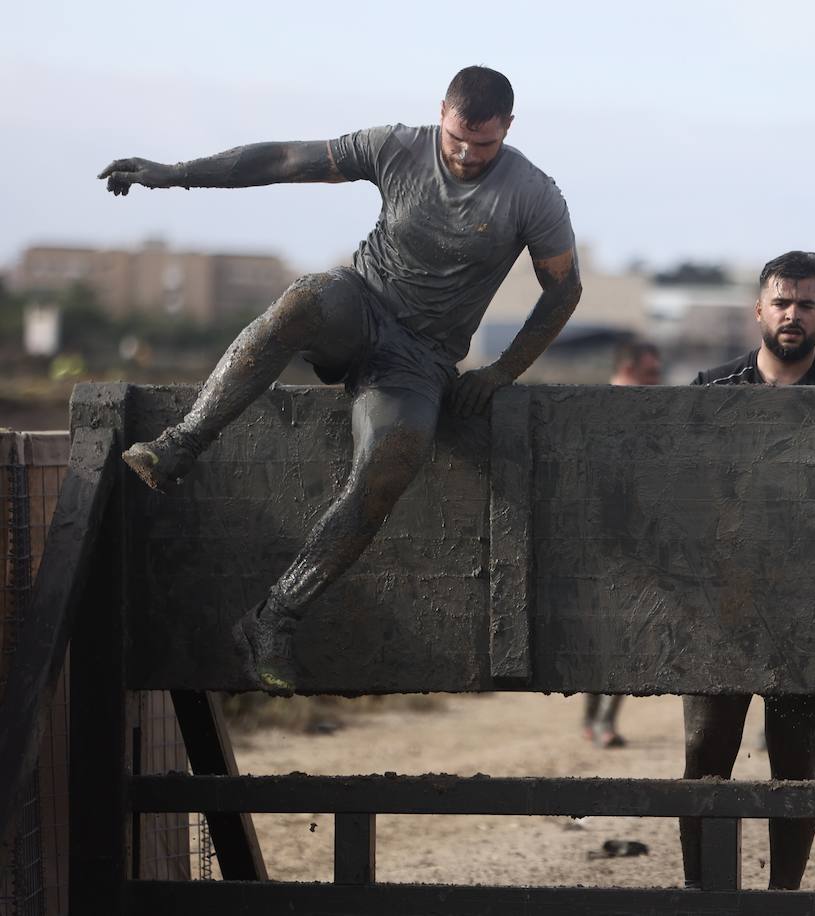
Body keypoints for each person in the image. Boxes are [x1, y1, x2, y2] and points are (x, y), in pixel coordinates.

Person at [99, 66, 581, 697]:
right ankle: (179, 446)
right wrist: (174, 173)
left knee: (393, 461)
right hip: (360, 306)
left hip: (419, 359)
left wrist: (501, 370)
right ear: (441, 113)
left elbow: (564, 289)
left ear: (508, 130)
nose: (465, 156)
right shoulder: (397, 146)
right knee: (303, 300)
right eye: (456, 138)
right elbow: (284, 159)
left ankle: (273, 620)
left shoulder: (533, 195)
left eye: (482, 145)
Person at [680, 250, 815, 890]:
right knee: (706, 757)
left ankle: (784, 896)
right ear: (759, 309)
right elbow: (680, 499)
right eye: (782, 302)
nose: (793, 315)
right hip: (719, 612)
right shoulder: (710, 391)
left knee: (794, 764)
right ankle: (705, 893)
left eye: (806, 304)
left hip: (804, 616)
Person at [582, 339, 662, 748]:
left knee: (626, 639)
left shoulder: (648, 419)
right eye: (650, 374)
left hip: (635, 550)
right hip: (597, 548)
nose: (657, 383)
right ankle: (594, 719)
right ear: (628, 370)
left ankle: (602, 721)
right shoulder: (595, 412)